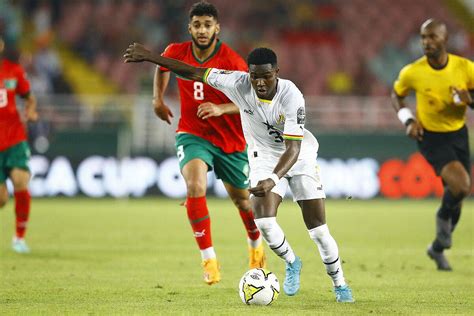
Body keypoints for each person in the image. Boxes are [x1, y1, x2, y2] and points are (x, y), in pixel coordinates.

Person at [124, 43, 355, 303]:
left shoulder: (292, 96)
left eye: (266, 76)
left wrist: (273, 179)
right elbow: (192, 72)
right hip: (263, 157)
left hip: (298, 157)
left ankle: (340, 284)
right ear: (248, 73)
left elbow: (293, 148)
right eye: (254, 76)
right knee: (265, 221)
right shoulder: (237, 82)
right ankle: (292, 261)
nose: (259, 82)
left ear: (277, 72)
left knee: (318, 231)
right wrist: (152, 58)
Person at [151, 1, 265, 285]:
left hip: (230, 139)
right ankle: (209, 260)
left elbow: (252, 101)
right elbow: (163, 66)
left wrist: (220, 109)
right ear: (190, 27)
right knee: (195, 186)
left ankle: (255, 245)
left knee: (243, 201)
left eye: (208, 25)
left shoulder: (232, 62)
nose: (202, 30)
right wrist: (158, 99)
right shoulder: (176, 51)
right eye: (197, 25)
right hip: (192, 132)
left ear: (218, 28)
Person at [391, 19, 473, 271]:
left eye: (432, 37)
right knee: (462, 185)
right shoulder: (412, 72)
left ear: (445, 39)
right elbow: (397, 95)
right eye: (423, 37)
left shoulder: (465, 68)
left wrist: (470, 100)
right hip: (430, 136)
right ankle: (441, 219)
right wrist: (408, 120)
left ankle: (437, 247)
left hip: (458, 134)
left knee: (458, 195)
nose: (426, 42)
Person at [0, 36, 38, 253]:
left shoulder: (13, 71)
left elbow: (29, 97)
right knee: (2, 200)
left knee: (20, 180)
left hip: (15, 138)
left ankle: (19, 238)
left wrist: (30, 110)